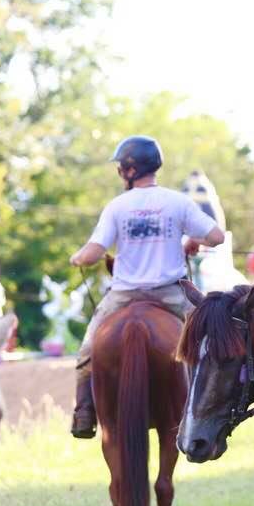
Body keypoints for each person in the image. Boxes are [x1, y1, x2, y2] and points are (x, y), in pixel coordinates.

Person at [69, 136, 225, 439]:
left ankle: (84, 413)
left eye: (119, 167)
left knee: (87, 351)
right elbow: (217, 237)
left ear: (130, 170)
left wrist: (77, 257)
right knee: (210, 345)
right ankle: (209, 409)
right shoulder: (178, 202)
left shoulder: (117, 206)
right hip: (171, 294)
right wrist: (194, 240)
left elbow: (93, 253)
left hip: (123, 296)